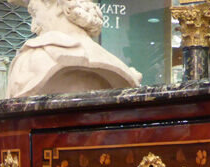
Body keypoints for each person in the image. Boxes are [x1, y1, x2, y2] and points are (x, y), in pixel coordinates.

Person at [7, 0, 142, 97]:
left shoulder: (35, 59)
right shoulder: (117, 64)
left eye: (34, 12)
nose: (33, 26)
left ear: (61, 6)